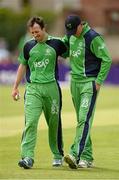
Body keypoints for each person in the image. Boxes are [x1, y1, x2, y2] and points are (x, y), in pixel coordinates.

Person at [12, 16, 68, 169]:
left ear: (44, 28)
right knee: (30, 122)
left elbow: (70, 53)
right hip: (33, 89)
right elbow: (22, 66)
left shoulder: (57, 43)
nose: (35, 35)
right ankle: (27, 157)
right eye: (32, 33)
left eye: (37, 32)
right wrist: (15, 86)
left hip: (52, 89)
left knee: (54, 123)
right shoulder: (28, 46)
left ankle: (57, 155)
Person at [63, 15, 112, 169]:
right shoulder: (70, 36)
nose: (72, 34)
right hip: (74, 83)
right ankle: (87, 157)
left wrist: (98, 81)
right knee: (82, 121)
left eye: (74, 30)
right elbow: (62, 47)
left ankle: (74, 154)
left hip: (89, 83)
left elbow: (107, 59)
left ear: (80, 26)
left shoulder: (93, 37)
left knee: (84, 119)